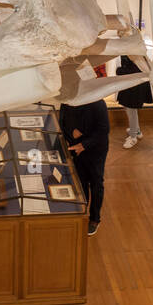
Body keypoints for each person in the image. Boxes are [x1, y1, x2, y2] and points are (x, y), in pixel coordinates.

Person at [59, 97, 109, 235]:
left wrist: (83, 143)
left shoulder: (98, 103)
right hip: (76, 149)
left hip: (95, 150)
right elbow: (62, 122)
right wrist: (69, 137)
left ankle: (94, 219)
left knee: (96, 183)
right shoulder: (67, 101)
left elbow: (103, 130)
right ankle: (82, 211)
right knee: (81, 182)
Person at [115, 54, 150, 149]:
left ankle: (133, 137)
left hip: (135, 85)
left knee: (131, 110)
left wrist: (119, 71)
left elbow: (136, 69)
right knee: (128, 108)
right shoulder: (131, 48)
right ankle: (137, 131)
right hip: (130, 84)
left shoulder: (136, 51)